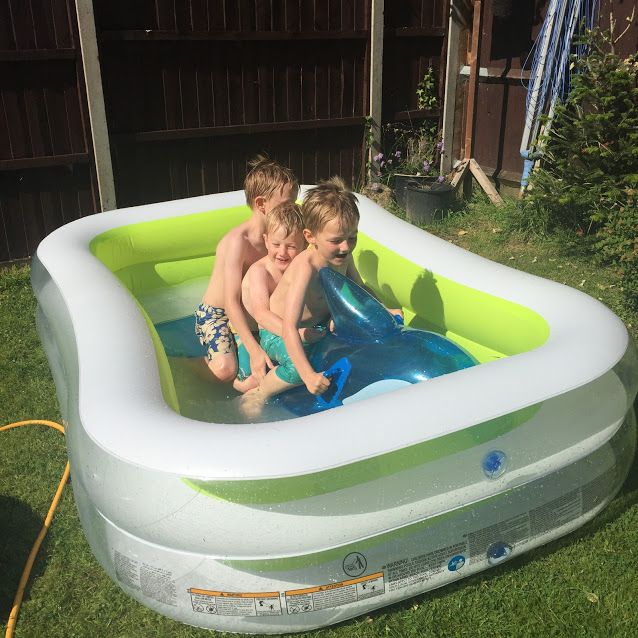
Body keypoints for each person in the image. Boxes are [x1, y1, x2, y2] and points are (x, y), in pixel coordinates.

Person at [240, 177, 401, 413]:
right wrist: (307, 376)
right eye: (336, 240)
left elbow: (360, 289)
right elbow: (288, 328)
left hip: (319, 324)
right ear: (310, 237)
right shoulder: (306, 268)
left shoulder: (343, 256)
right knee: (295, 369)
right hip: (279, 332)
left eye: (352, 238)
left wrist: (384, 310)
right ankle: (260, 392)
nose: (346, 247)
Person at [195, 155, 298, 386]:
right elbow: (231, 302)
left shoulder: (282, 237)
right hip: (218, 314)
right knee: (225, 370)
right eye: (287, 204)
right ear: (261, 204)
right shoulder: (238, 242)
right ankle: (192, 368)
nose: (293, 209)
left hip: (254, 312)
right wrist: (253, 350)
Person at [233, 200, 311, 392]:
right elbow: (261, 314)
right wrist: (296, 334)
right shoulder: (261, 272)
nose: (282, 252)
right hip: (250, 334)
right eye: (276, 244)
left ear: (305, 242)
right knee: (249, 383)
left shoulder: (301, 266)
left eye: (291, 246)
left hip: (278, 330)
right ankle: (204, 366)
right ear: (266, 240)